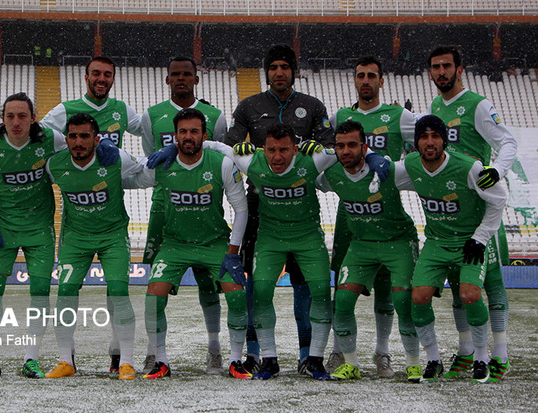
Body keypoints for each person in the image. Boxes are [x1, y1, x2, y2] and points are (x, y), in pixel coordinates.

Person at [224, 43, 335, 373]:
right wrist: (241, 146)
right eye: (273, 67)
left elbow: (331, 147)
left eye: (285, 67)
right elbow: (230, 145)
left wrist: (321, 146)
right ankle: (257, 352)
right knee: (256, 284)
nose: (279, 72)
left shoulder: (312, 106)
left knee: (307, 287)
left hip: (301, 206)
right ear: (266, 71)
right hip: (260, 205)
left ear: (294, 71)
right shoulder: (249, 105)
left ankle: (306, 353)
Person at [41, 55, 142, 372]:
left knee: (118, 290)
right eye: (96, 73)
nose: (101, 78)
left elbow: (149, 134)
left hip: (112, 220)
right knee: (66, 290)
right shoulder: (64, 111)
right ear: (86, 77)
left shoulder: (122, 111)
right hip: (76, 230)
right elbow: (42, 135)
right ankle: (65, 358)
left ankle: (120, 357)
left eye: (107, 74)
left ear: (113, 78)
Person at [140, 108, 250, 380]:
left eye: (194, 131)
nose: (188, 136)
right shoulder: (163, 165)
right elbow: (129, 175)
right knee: (153, 298)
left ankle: (234, 359)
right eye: (183, 131)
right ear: (175, 135)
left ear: (204, 135)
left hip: (214, 243)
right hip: (175, 244)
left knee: (236, 295)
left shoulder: (221, 163)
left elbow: (241, 209)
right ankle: (161, 360)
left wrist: (232, 252)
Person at [428, 45, 517, 381]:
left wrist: (498, 170)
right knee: (457, 284)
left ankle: (500, 354)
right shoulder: (437, 105)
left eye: (447, 66)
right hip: (452, 213)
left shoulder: (477, 105)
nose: (441, 72)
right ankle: (466, 352)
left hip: (481, 208)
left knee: (490, 284)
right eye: (435, 67)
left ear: (459, 70)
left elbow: (507, 141)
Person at [397, 115, 506, 383]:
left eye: (436, 136)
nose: (430, 142)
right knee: (418, 297)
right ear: (416, 142)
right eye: (424, 136)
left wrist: (480, 237)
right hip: (436, 242)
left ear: (444, 139)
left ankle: (481, 357)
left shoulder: (469, 167)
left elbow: (500, 198)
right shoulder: (410, 164)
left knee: (469, 295)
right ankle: (434, 359)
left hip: (469, 240)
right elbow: (384, 170)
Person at [327, 56, 416, 376]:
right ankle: (339, 351)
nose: (365, 81)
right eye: (360, 76)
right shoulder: (340, 116)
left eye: (371, 76)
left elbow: (424, 144)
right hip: (350, 212)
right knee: (343, 286)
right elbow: (327, 158)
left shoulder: (399, 116)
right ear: (354, 81)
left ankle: (383, 352)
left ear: (381, 81)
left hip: (385, 208)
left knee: (385, 289)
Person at [139, 56, 228, 374]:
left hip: (205, 210)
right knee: (155, 285)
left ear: (196, 79)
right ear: (167, 79)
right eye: (174, 74)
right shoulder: (152, 117)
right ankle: (153, 352)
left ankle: (215, 350)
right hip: (164, 209)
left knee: (209, 284)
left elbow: (219, 160)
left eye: (186, 74)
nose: (181, 79)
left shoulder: (216, 118)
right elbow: (152, 161)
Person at [315, 120, 421, 382]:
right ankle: (351, 364)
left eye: (352, 145)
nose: (346, 151)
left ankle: (414, 364)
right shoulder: (331, 175)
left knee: (402, 301)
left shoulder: (388, 171)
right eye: (340, 146)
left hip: (398, 242)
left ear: (365, 146)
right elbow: (304, 175)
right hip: (361, 243)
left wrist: (379, 157)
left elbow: (426, 174)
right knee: (342, 300)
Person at [0, 92, 67, 379]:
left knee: (39, 293)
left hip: (40, 229)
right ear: (2, 119)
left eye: (22, 116)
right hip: (3, 229)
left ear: (33, 118)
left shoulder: (50, 139)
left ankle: (31, 358)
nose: (16, 122)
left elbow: (78, 148)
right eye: (10, 116)